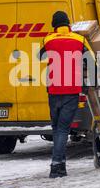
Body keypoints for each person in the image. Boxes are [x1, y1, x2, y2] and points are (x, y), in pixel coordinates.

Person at [40, 11, 94, 178]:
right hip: (71, 91)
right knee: (63, 129)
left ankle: (60, 165)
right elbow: (90, 60)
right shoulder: (79, 40)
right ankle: (56, 166)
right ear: (68, 24)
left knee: (56, 128)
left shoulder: (48, 40)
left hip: (53, 91)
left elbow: (40, 56)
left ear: (54, 25)